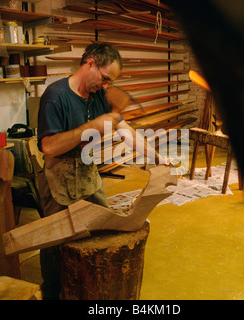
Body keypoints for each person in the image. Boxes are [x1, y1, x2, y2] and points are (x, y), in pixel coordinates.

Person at [37, 43, 163, 299]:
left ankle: (93, 291)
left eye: (110, 82)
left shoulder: (98, 96)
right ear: (90, 63)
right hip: (57, 178)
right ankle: (53, 293)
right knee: (55, 245)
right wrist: (91, 126)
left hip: (87, 172)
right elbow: (49, 147)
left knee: (104, 232)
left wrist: (158, 158)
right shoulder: (55, 95)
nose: (106, 86)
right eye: (105, 79)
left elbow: (125, 130)